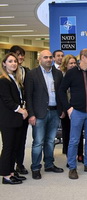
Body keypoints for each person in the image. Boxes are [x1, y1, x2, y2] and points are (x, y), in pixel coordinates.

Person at [58, 48, 87, 179]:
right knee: (74, 140)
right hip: (77, 112)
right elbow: (61, 91)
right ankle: (72, 167)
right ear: (83, 57)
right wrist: (68, 108)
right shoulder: (71, 73)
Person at [25, 50, 64, 180]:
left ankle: (49, 164)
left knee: (50, 141)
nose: (48, 59)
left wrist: (61, 109)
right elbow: (28, 96)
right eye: (45, 57)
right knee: (38, 142)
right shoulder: (32, 74)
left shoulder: (58, 74)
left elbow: (60, 93)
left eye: (50, 57)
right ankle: (35, 167)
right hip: (39, 113)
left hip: (54, 112)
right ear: (39, 59)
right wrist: (31, 114)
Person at [0, 53, 28, 184]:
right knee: (8, 148)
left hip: (16, 119)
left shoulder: (15, 79)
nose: (13, 63)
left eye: (15, 61)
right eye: (10, 61)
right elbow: (7, 100)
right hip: (8, 119)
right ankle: (6, 176)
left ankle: (11, 172)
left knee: (14, 147)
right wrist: (21, 110)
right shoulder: (3, 80)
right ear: (4, 64)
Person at [9, 45, 30, 175]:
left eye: (22, 55)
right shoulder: (5, 75)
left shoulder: (27, 71)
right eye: (17, 54)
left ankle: (20, 164)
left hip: (25, 110)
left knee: (22, 140)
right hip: (12, 112)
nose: (20, 57)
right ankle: (9, 169)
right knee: (11, 142)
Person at [59, 55, 84, 163]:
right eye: (71, 63)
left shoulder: (79, 75)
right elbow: (60, 94)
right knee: (68, 133)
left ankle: (79, 154)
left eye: (74, 63)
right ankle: (70, 156)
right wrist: (64, 109)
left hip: (78, 109)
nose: (73, 65)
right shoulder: (61, 76)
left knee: (79, 133)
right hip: (66, 109)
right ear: (65, 65)